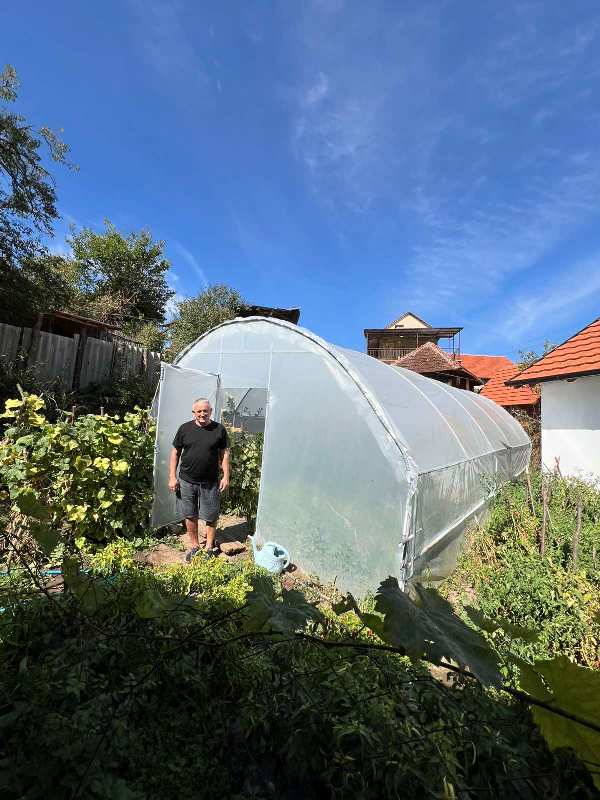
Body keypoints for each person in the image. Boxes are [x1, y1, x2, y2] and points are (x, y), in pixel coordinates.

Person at [169, 397, 230, 562]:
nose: (203, 414)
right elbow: (175, 453)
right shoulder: (184, 429)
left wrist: (226, 476)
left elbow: (224, 454)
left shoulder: (219, 429)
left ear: (211, 411)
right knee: (190, 514)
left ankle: (209, 547)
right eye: (199, 411)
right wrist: (172, 477)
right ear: (194, 412)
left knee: (211, 515)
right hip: (187, 480)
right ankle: (195, 547)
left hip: (210, 482)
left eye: (206, 411)